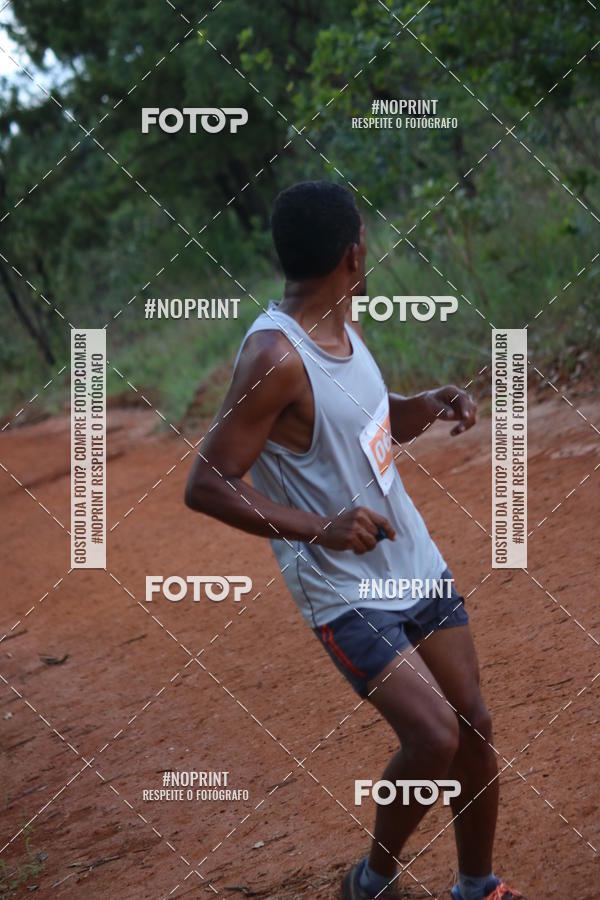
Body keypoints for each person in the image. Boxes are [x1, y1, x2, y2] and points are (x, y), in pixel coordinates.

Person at [185, 180, 522, 900]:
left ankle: (477, 886)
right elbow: (207, 482)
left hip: (413, 559)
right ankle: (371, 881)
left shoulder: (343, 322)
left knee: (475, 721)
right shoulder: (275, 357)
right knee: (435, 737)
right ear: (354, 253)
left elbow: (365, 421)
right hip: (342, 590)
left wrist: (421, 406)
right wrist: (321, 529)